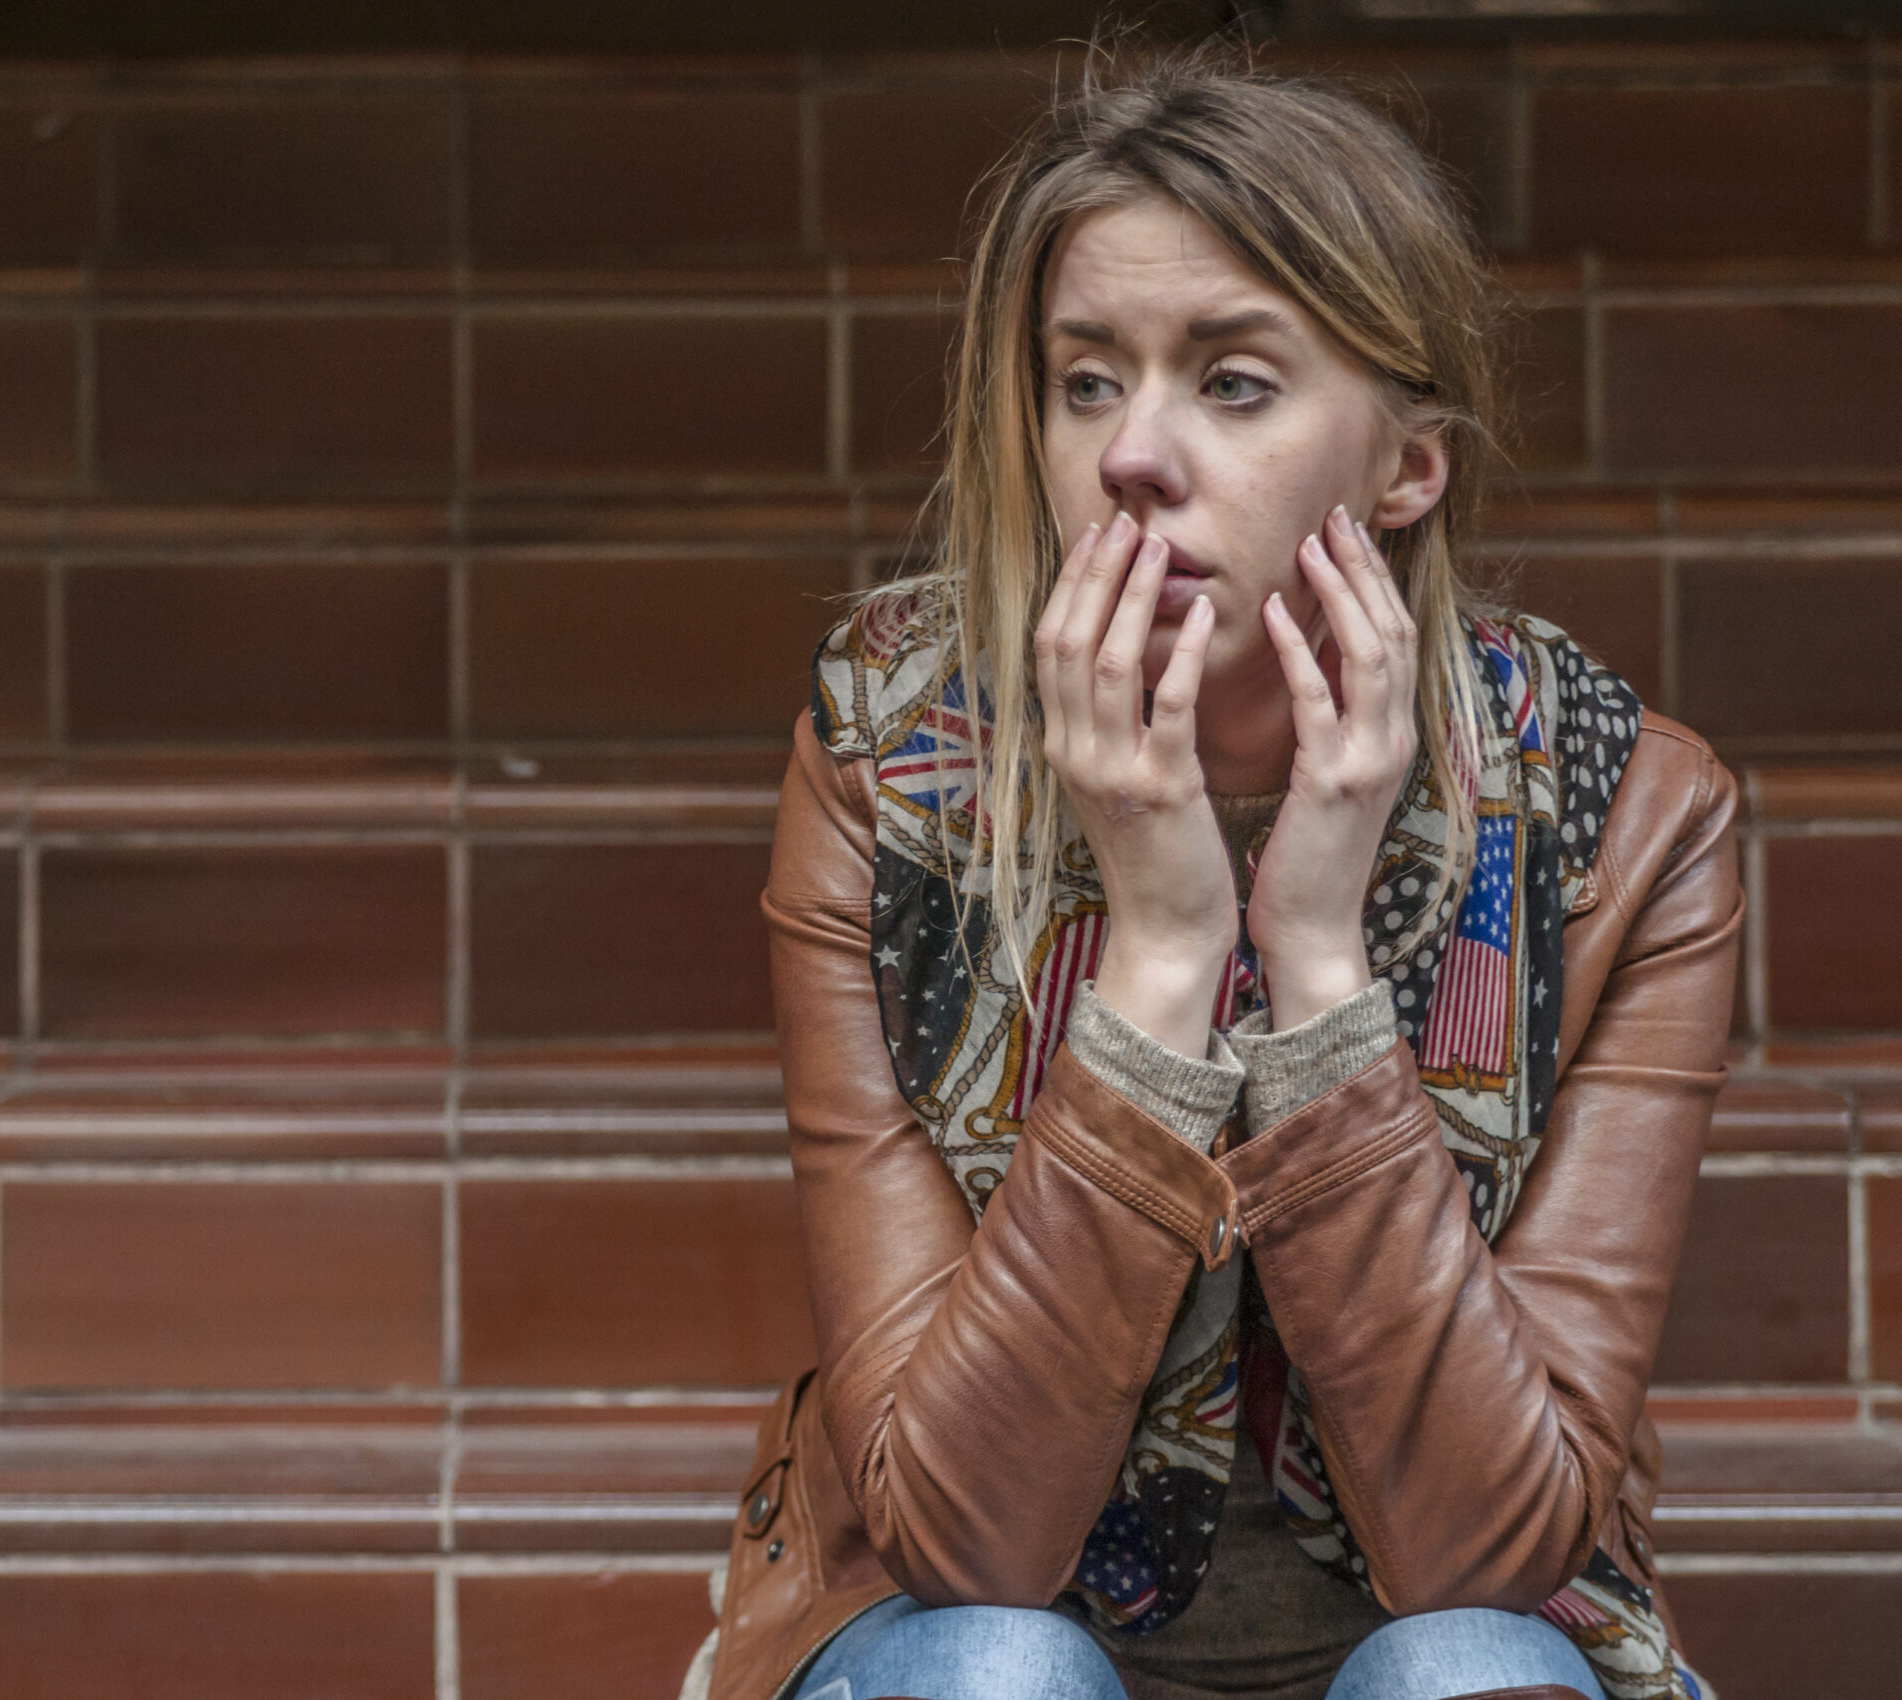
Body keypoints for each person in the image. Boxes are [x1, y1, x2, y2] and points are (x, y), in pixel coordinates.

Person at [676, 51, 1742, 1700]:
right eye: (1085, 380)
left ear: (1405, 468)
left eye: (1232, 385)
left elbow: (1487, 1554)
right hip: (970, 1628)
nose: (1130, 457)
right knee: (992, 1671)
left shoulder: (1620, 816)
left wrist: (1314, 957)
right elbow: (964, 1545)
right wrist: (1166, 945)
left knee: (1467, 1671)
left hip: (1423, 1632)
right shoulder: (892, 760)